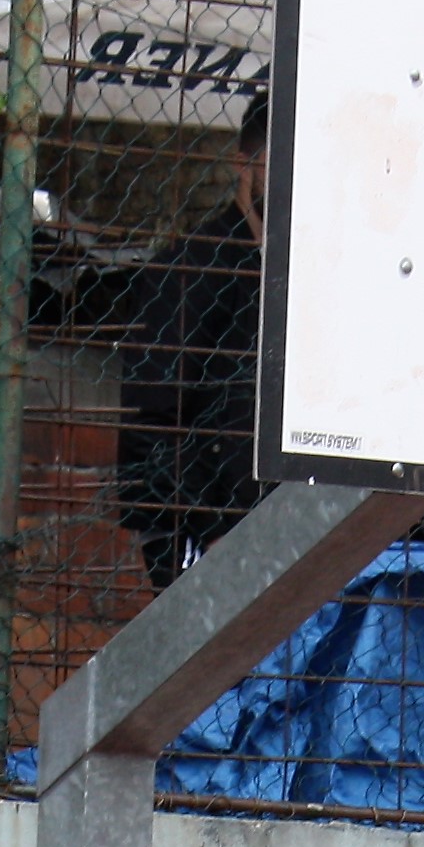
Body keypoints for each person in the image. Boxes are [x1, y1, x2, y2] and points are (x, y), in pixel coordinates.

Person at [114, 91, 268, 587]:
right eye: (283, 161)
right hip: (200, 534)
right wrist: (210, 530)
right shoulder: (190, 268)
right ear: (244, 164)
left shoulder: (308, 276)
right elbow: (151, 421)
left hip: (284, 535)